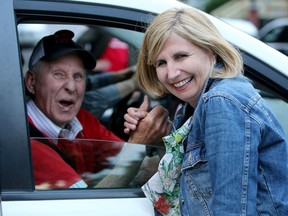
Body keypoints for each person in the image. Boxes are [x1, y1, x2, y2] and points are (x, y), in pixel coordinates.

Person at [123, 8, 288, 215]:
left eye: (181, 56)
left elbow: (232, 210)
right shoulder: (192, 105)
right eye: (161, 63)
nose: (172, 73)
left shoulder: (221, 102)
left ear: (210, 50)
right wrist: (155, 139)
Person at [24, 29, 171, 189]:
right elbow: (87, 206)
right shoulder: (28, 144)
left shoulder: (80, 120)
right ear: (31, 82)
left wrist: (161, 138)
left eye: (78, 76)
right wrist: (137, 143)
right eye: (59, 74)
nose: (72, 87)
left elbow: (139, 165)